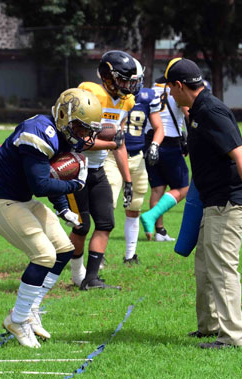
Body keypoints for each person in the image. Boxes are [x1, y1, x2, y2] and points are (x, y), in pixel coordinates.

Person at [156, 57, 242, 349]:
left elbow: (239, 153)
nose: (168, 93)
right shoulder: (197, 110)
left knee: (221, 268)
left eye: (169, 87)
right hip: (211, 200)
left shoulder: (211, 110)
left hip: (228, 201)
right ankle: (209, 326)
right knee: (205, 265)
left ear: (179, 85)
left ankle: (234, 337)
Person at [0, 88, 102, 347]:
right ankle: (18, 319)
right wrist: (75, 187)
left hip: (22, 200)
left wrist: (63, 208)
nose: (83, 136)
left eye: (87, 130)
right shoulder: (39, 132)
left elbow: (50, 177)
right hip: (1, 201)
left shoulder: (60, 135)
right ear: (62, 115)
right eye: (80, 128)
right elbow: (41, 184)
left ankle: (30, 310)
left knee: (64, 249)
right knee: (44, 256)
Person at [69, 50, 139, 290]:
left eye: (131, 80)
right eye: (123, 80)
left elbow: (119, 143)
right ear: (108, 77)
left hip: (97, 169)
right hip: (75, 169)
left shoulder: (126, 102)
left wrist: (127, 179)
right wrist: (111, 141)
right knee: (81, 226)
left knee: (106, 222)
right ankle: (77, 275)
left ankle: (92, 278)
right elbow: (78, 140)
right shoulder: (91, 94)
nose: (128, 85)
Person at [103, 58, 165, 264]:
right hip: (112, 157)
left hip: (137, 157)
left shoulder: (147, 97)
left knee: (135, 206)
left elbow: (159, 128)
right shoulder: (108, 96)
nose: (135, 84)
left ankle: (130, 255)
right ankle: (99, 255)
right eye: (131, 80)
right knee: (106, 205)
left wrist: (154, 145)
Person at [140, 81, 190, 242]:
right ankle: (151, 216)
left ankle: (159, 232)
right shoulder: (177, 91)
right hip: (169, 142)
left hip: (149, 141)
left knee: (157, 189)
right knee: (183, 187)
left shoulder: (151, 90)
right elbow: (188, 115)